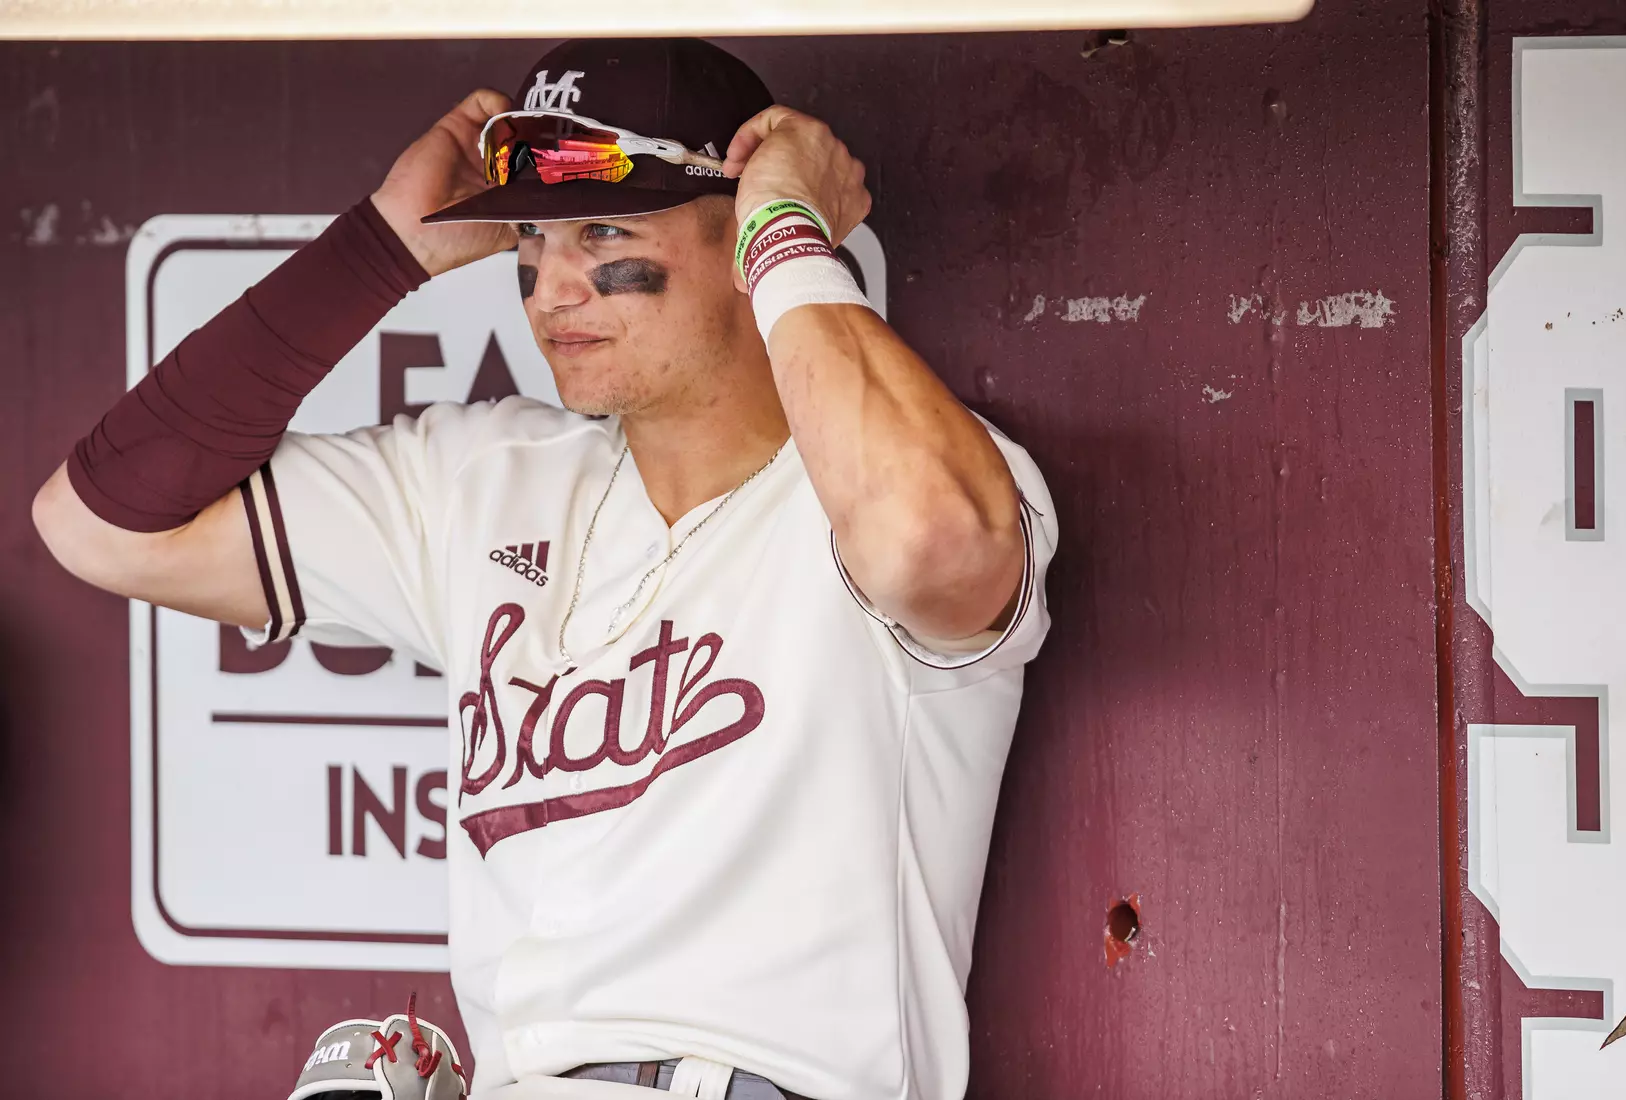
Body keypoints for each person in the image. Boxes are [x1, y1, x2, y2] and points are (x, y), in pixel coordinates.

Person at [33, 37, 1057, 1100]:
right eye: (529, 233)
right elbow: (99, 522)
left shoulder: (899, 478)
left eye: (605, 227)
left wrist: (787, 229)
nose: (550, 286)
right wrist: (385, 247)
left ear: (744, 223)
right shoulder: (479, 477)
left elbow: (930, 543)